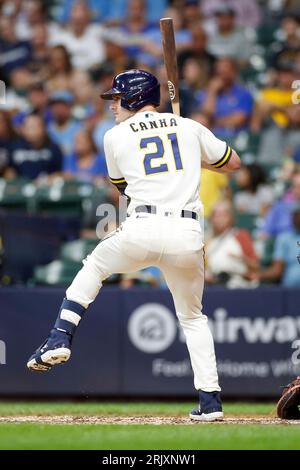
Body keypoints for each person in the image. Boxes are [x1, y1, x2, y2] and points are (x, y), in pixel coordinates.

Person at [27, 69, 241, 421]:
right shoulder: (189, 127)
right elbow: (233, 163)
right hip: (187, 234)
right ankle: (210, 401)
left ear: (134, 98)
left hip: (143, 225)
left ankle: (59, 337)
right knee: (193, 317)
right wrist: (194, 155)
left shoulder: (114, 137)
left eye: (116, 98)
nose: (113, 105)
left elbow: (124, 188)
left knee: (95, 266)